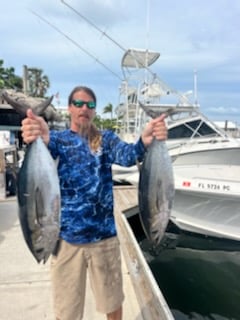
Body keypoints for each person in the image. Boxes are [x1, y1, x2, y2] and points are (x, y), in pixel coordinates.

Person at [21, 85, 168, 320]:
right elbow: (44, 146)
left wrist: (145, 140)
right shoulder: (57, 140)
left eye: (90, 105)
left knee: (113, 304)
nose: (84, 109)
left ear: (94, 111)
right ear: (69, 108)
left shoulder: (106, 139)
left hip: (104, 239)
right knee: (66, 311)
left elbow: (128, 155)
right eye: (78, 104)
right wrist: (36, 134)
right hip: (66, 241)